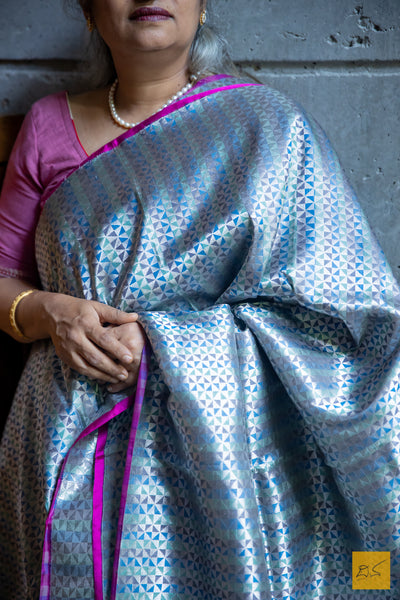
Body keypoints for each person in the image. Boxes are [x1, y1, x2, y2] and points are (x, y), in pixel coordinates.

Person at [0, 1, 400, 599]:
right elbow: (4, 274)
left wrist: (169, 343)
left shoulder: (266, 127)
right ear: (89, 12)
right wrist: (48, 312)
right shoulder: (47, 125)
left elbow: (351, 314)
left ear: (203, 4)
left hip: (227, 449)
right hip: (64, 429)